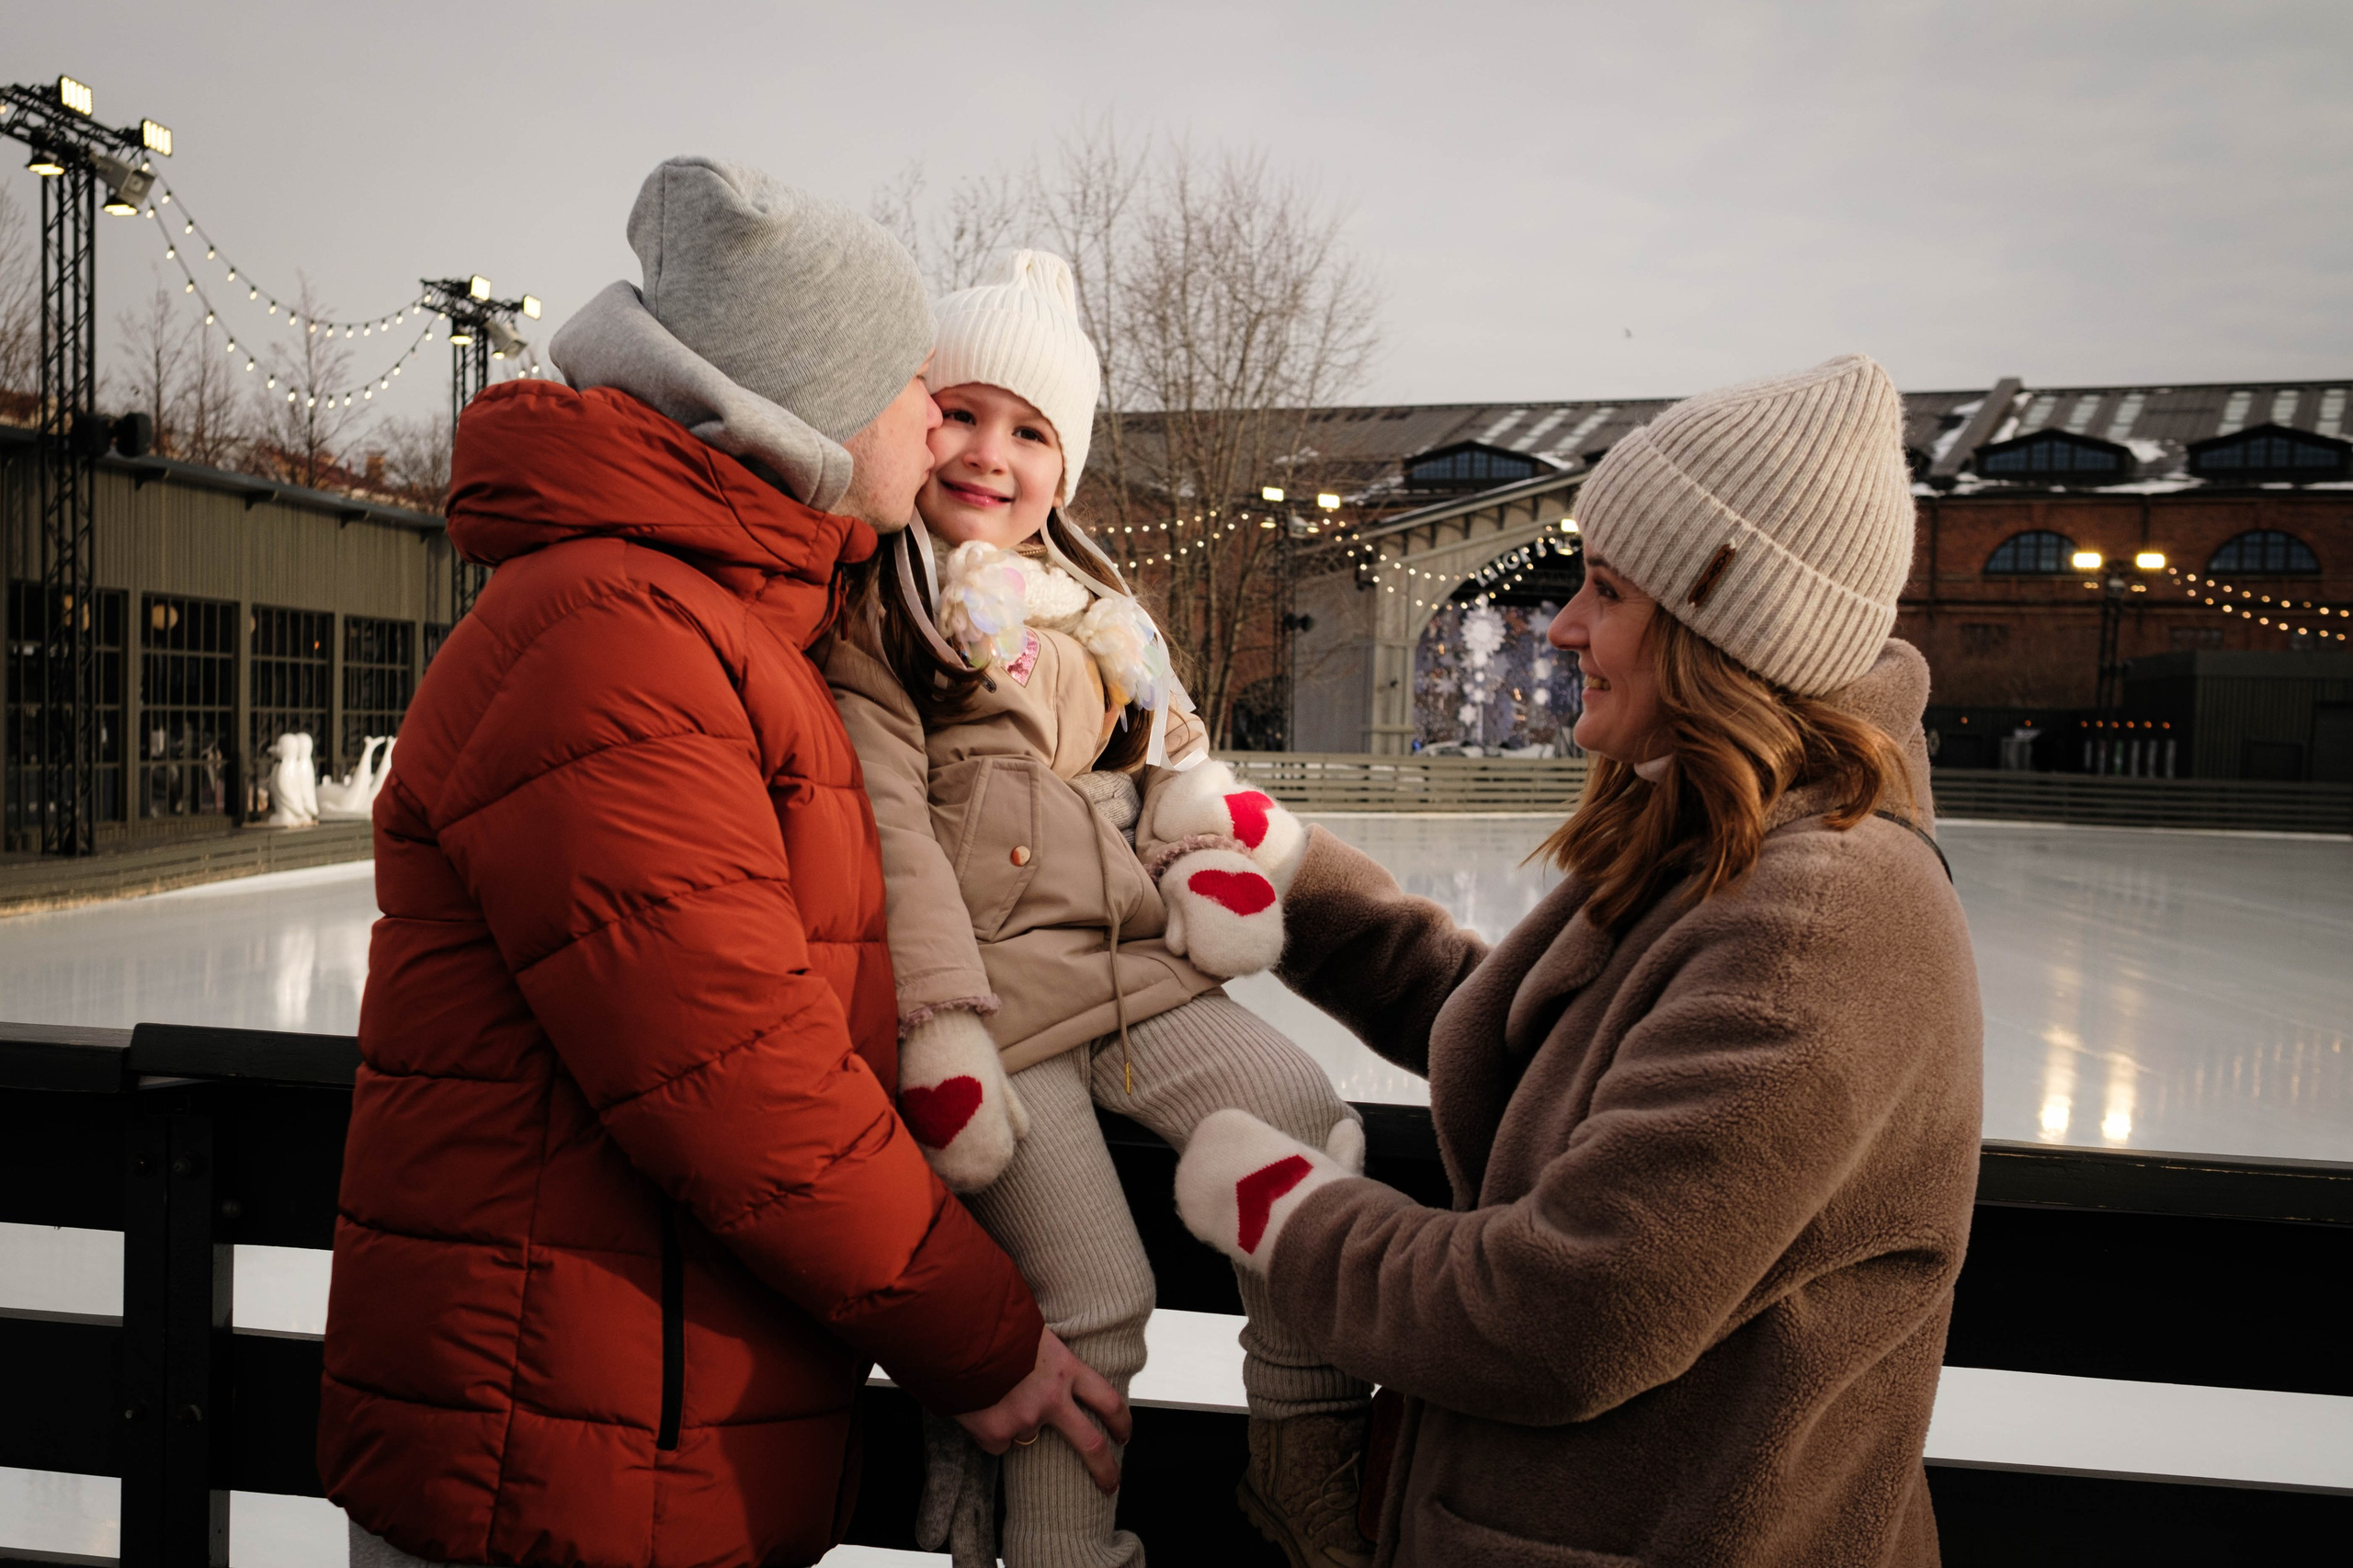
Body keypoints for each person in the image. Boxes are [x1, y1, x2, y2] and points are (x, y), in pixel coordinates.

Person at [320, 158, 1126, 1568]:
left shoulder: (733, 623)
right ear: (804, 406)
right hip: (555, 1468)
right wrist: (983, 1340)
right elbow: (743, 1081)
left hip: (638, 1434)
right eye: (908, 384)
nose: (938, 423)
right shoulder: (612, 637)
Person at [1174, 354, 1984, 1566]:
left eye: (1605, 591)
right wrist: (1292, 876)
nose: (1561, 625)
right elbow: (1537, 1039)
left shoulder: (1821, 926)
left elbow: (1563, 1313)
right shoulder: (1731, 842)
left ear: (1719, 626)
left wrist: (1289, 1219)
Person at [820, 250, 1376, 1568]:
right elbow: (891, 829)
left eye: (1031, 432)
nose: (989, 456)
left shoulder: (1105, 624)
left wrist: (1202, 866)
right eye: (961, 413)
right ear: (912, 418)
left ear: (1065, 467)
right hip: (1002, 1014)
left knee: (1306, 1124)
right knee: (1098, 1296)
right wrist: (943, 1022)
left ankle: (1301, 1461)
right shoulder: (886, 620)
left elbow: (1176, 767)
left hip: (1135, 974)